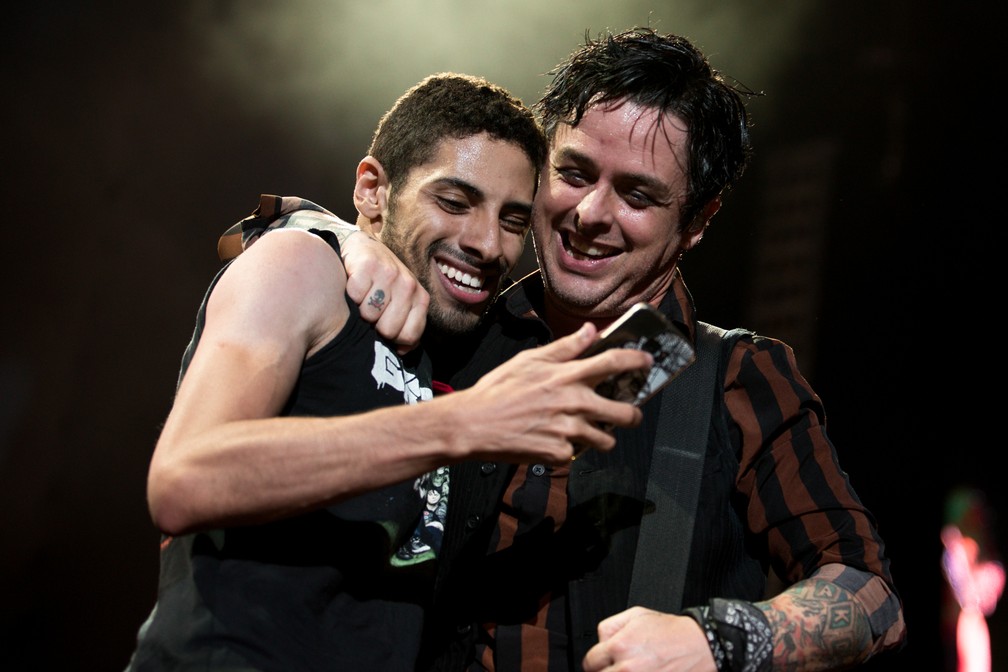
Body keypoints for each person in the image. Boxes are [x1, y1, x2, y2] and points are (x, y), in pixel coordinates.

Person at [400, 28, 906, 671]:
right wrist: (324, 238)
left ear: (697, 221)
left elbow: (870, 598)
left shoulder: (736, 378)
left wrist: (717, 641)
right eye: (574, 173)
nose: (589, 213)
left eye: (637, 194)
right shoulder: (453, 330)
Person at [123, 73, 653, 671]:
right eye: (454, 202)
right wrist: (456, 425)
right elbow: (184, 478)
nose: (487, 243)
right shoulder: (304, 264)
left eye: (511, 220)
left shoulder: (454, 349)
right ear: (374, 190)